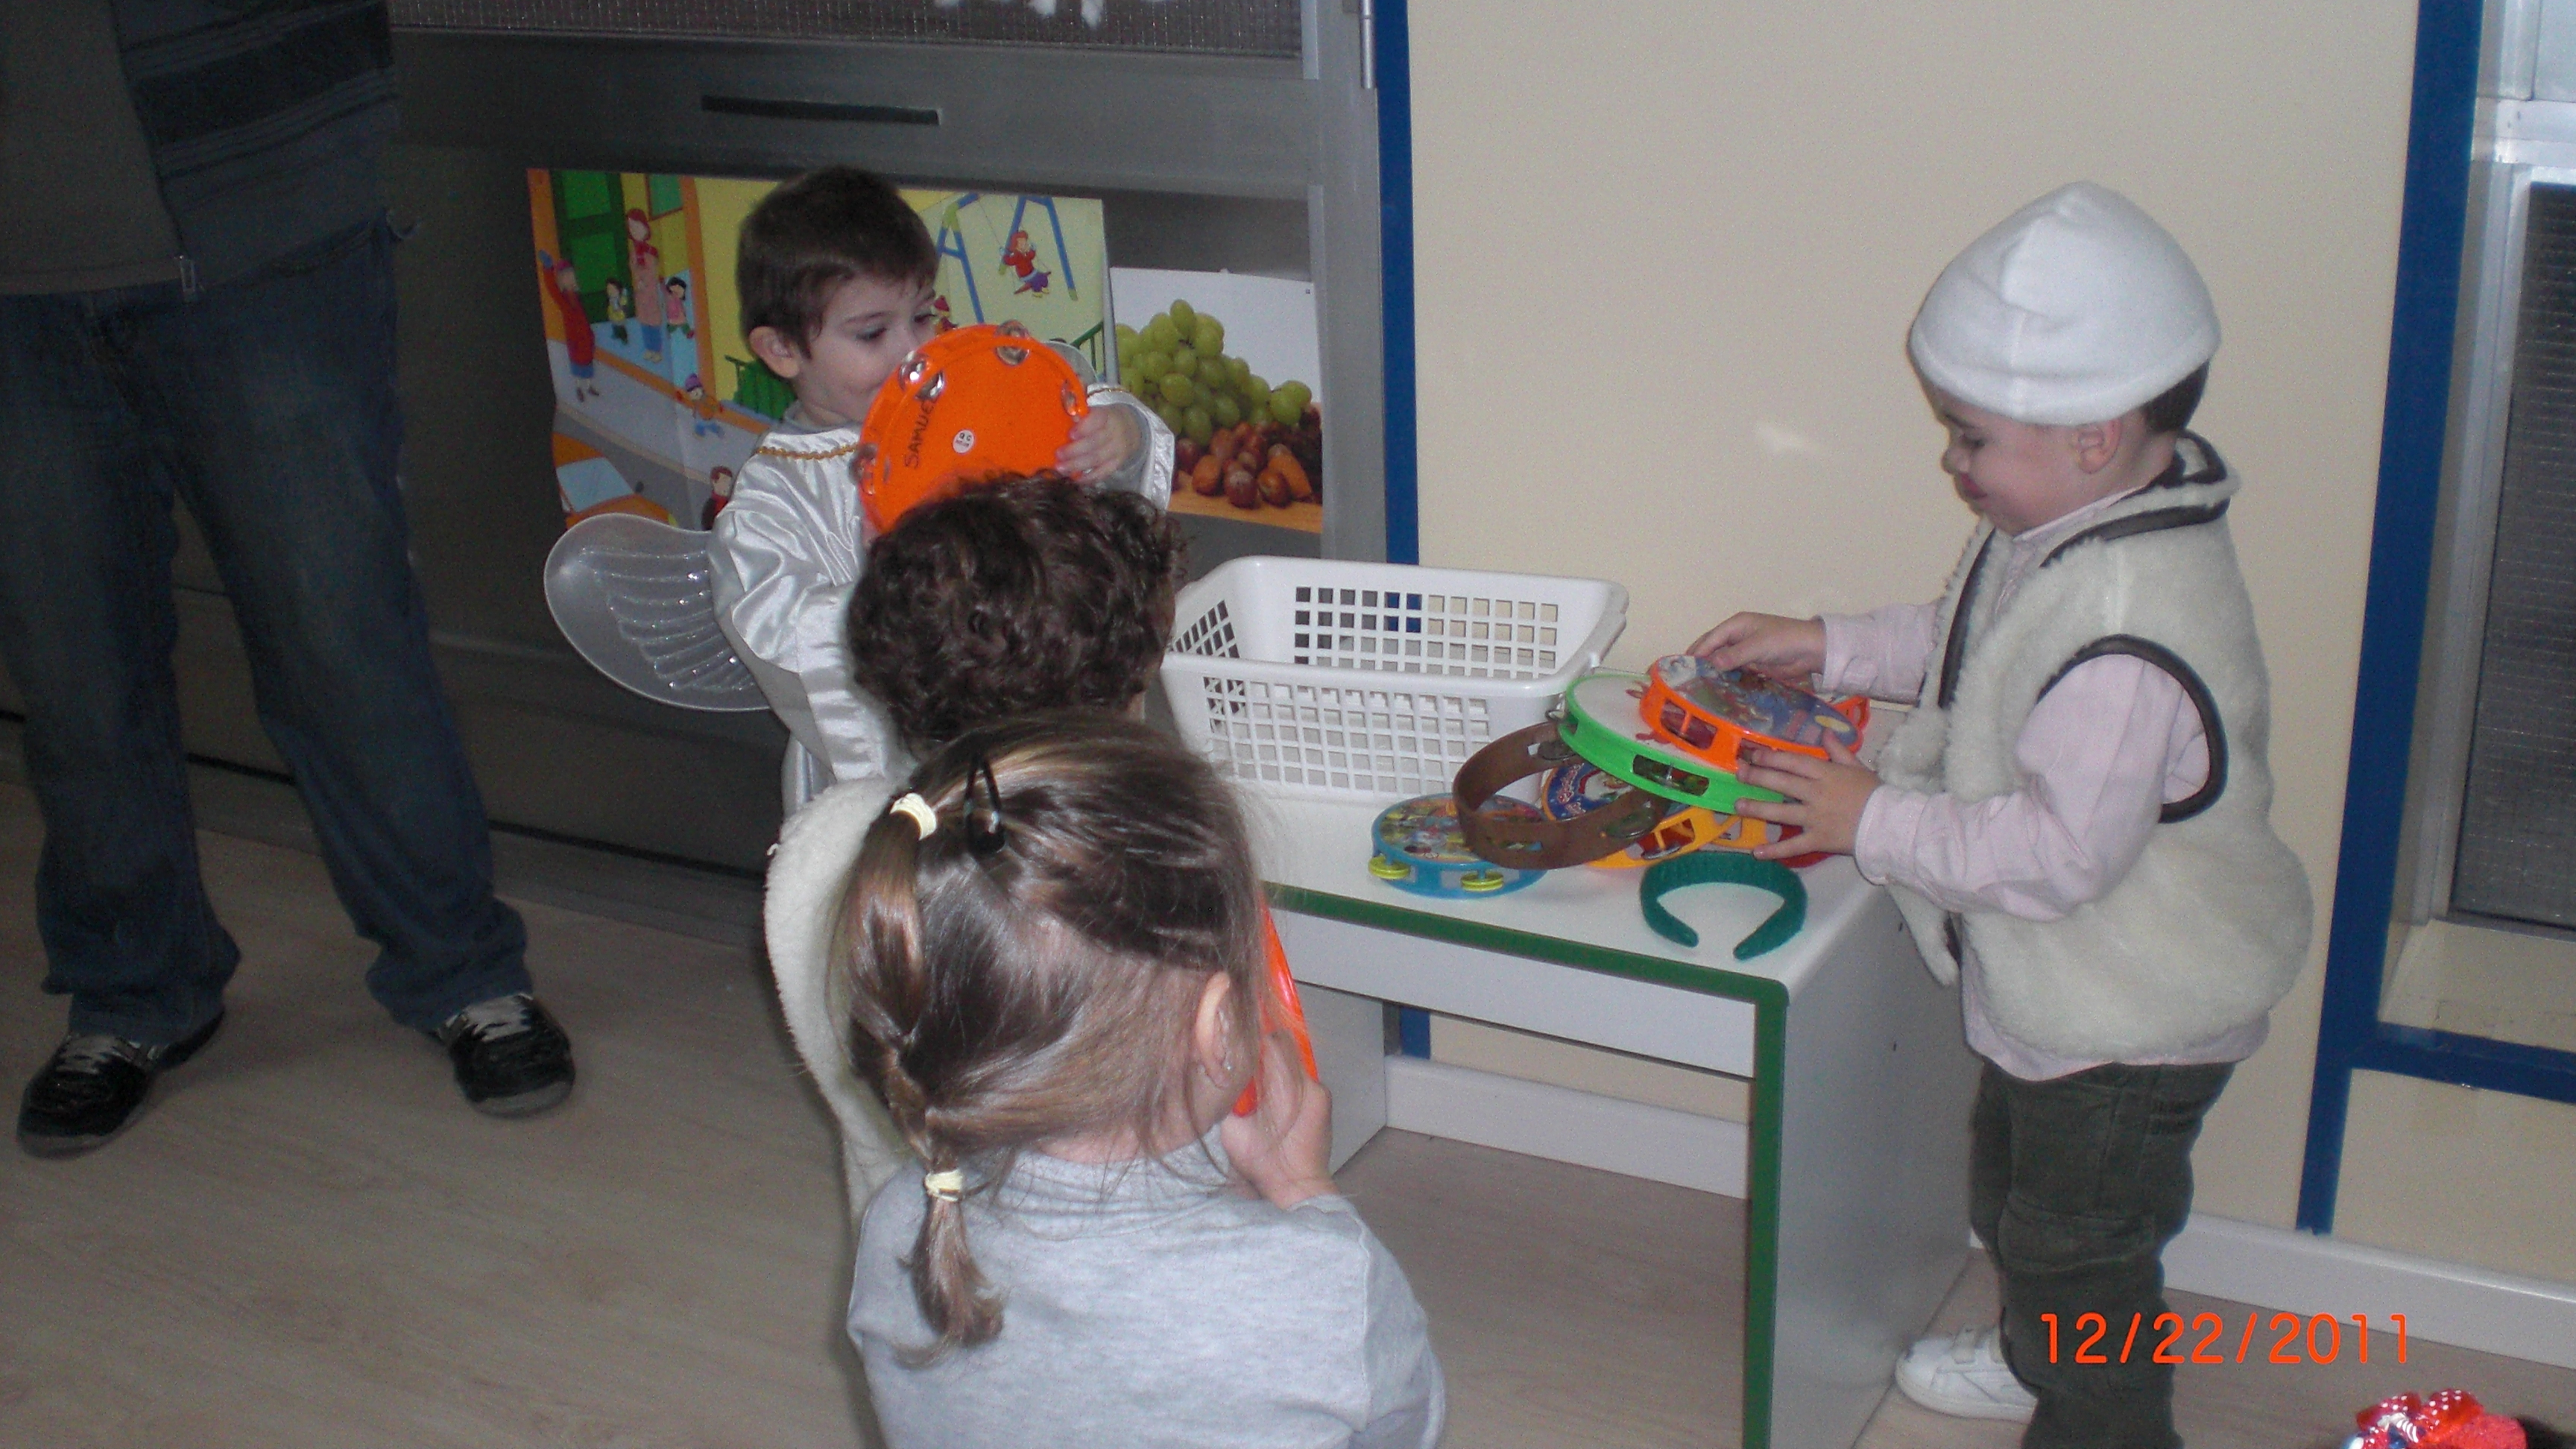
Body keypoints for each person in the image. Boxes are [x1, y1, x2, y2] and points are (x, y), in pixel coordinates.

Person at [1690, 183, 2310, 1448]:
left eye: (1969, 438)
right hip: (2067, 995)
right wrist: (1831, 645)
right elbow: (1974, 640)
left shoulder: (2128, 628)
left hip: (2132, 1014)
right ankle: (2039, 1354)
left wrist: (1872, 818)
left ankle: (2102, 1421)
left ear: (2092, 436)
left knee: (2079, 1250)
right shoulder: (2068, 529)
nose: (1951, 464)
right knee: (2016, 1196)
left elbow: (2056, 855)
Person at [0, 1, 574, 1158]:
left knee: (341, 638)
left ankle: (461, 969)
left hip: (260, 218)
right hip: (19, 279)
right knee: (71, 669)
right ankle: (132, 989)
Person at [836, 712, 1444, 1449]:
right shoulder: (1320, 1282)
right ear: (1218, 1028)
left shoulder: (903, 1224)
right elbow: (1406, 1430)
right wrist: (1302, 1189)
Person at [763, 474, 1187, 1217]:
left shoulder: (838, 846)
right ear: (1111, 714)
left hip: (905, 1235)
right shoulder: (1136, 875)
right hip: (1098, 1258)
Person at [707, 166, 1171, 809]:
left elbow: (1082, 422)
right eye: (872, 333)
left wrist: (1121, 435)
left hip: (1045, 730)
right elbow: (780, 636)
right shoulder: (776, 499)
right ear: (782, 350)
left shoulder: (973, 397)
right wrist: (904, 596)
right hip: (903, 789)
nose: (913, 351)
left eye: (924, 316)